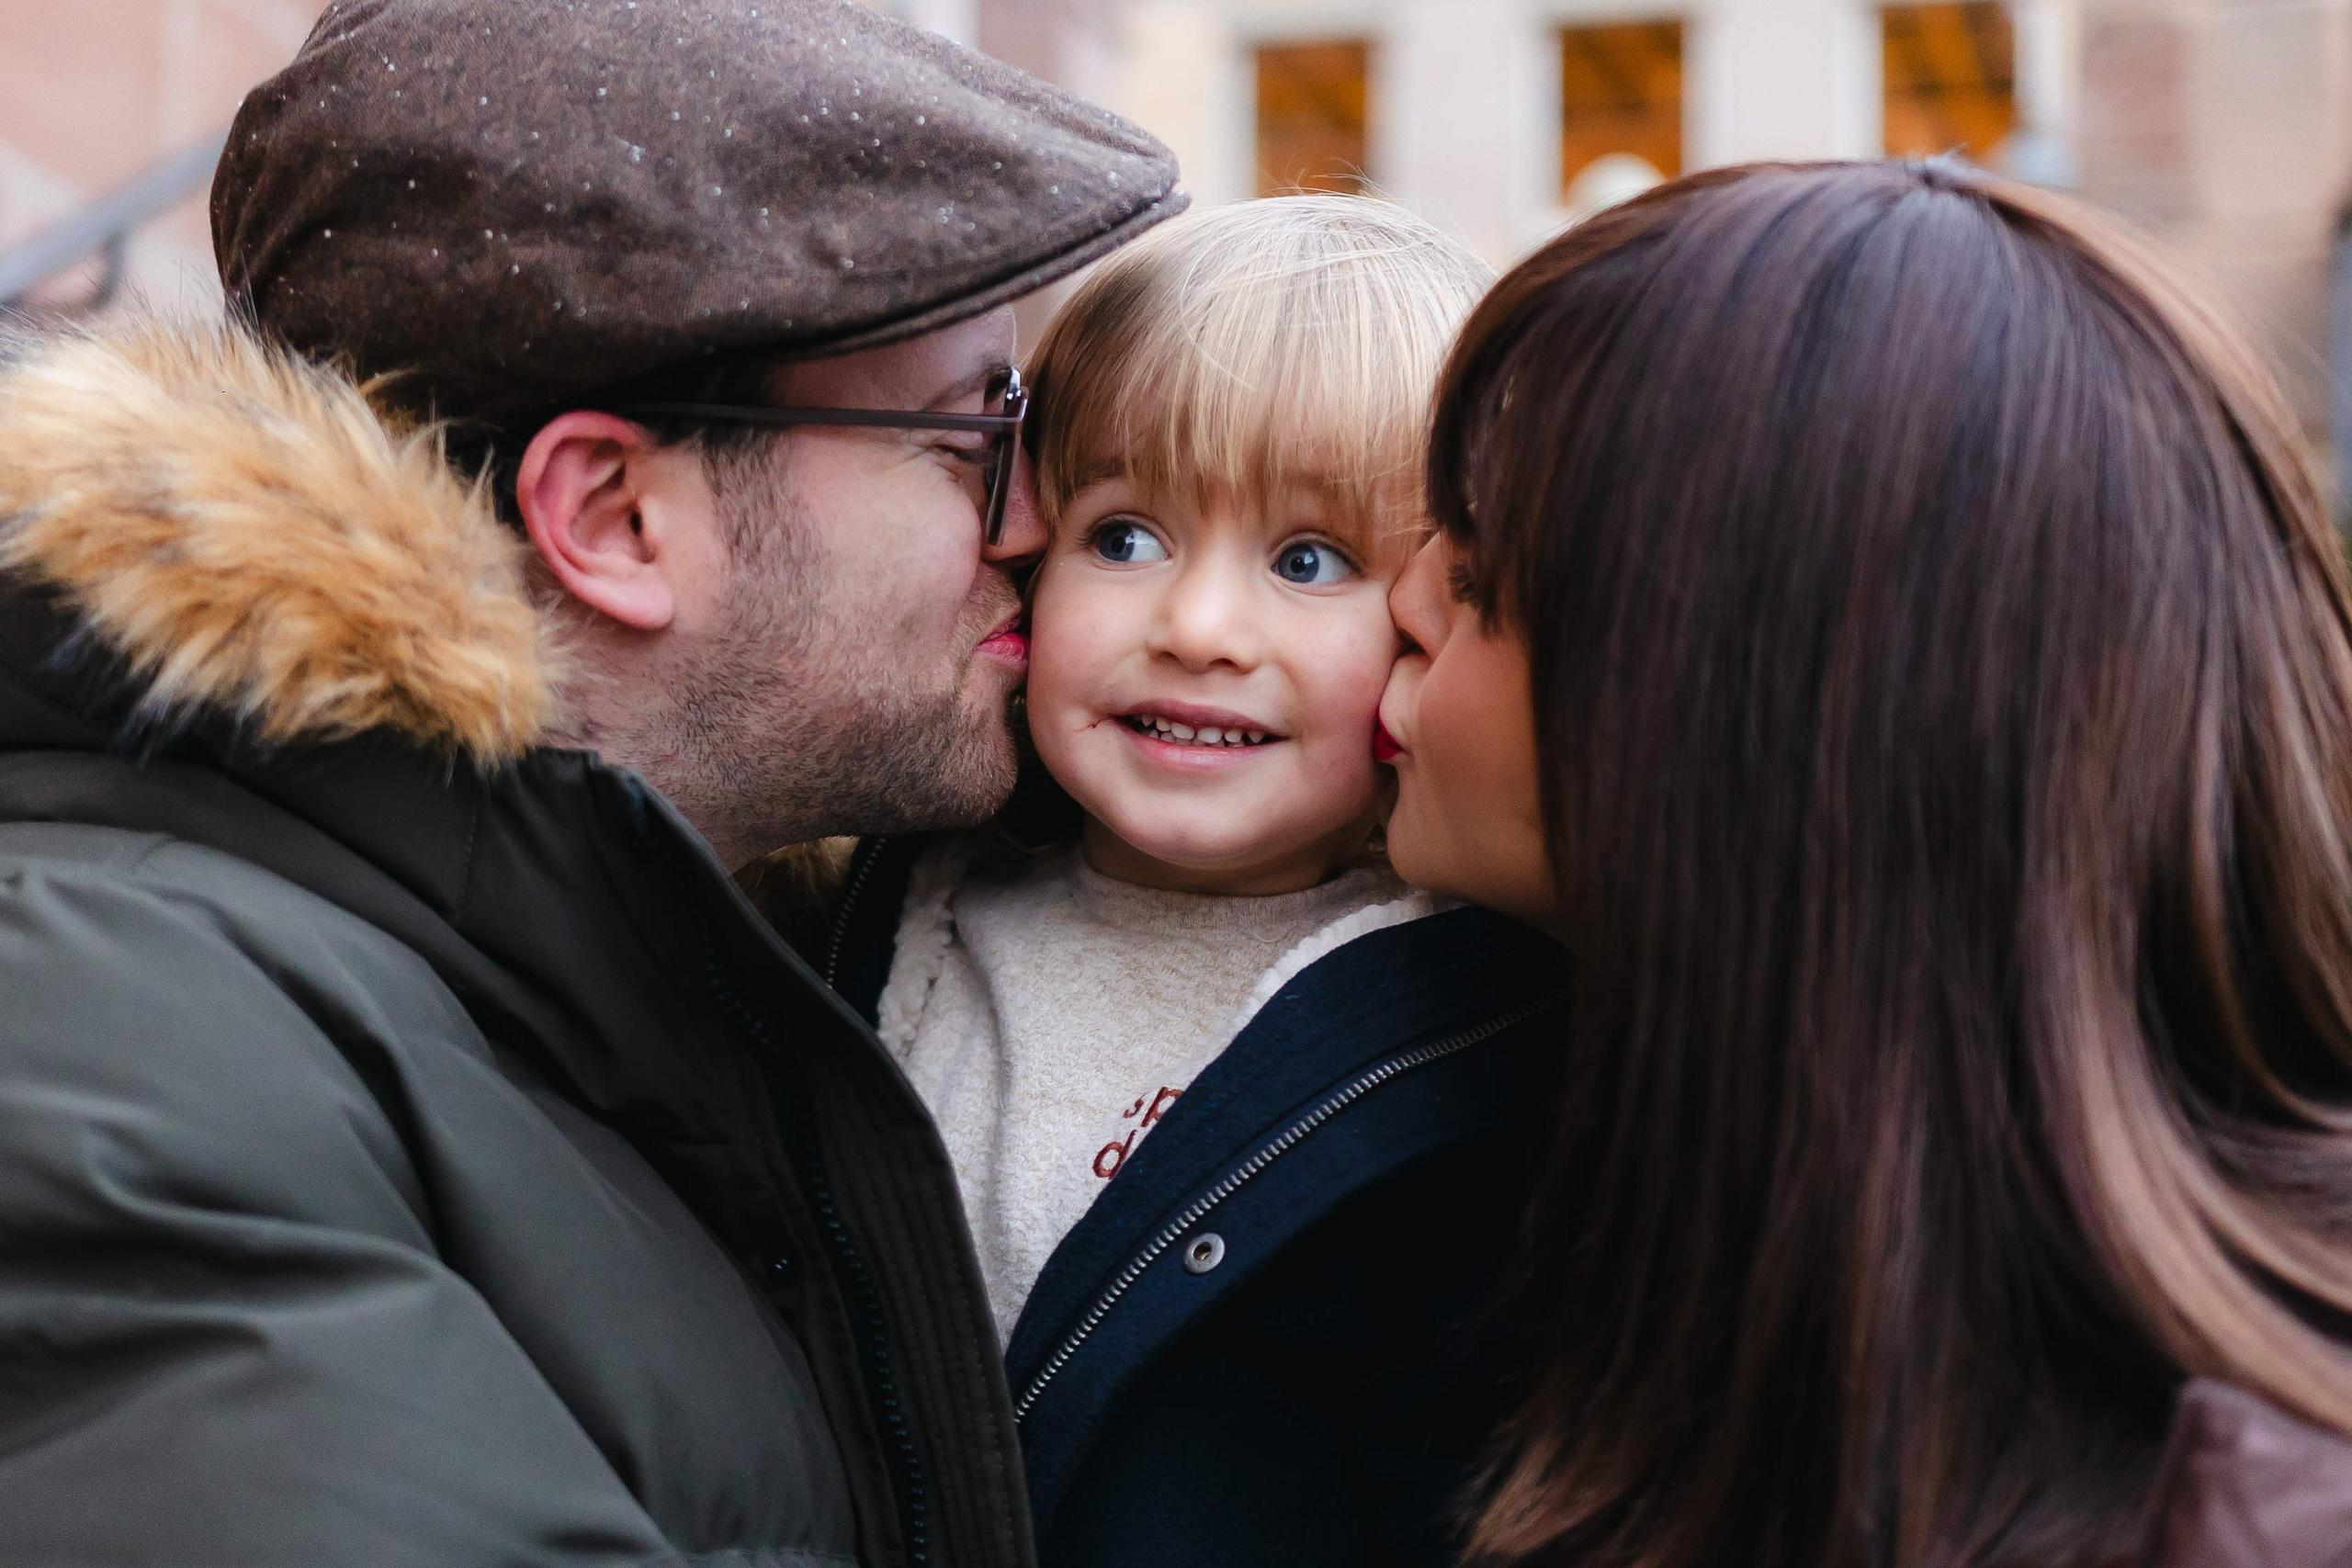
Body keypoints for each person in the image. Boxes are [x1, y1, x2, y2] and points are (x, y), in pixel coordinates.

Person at [0, 0, 1182, 1562]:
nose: (1037, 521)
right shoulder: (112, 1040)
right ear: (617, 517)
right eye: (978, 434)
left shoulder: (689, 949)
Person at [1377, 158, 2352, 1567]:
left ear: (1735, 736)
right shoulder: (1650, 1227)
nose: (1398, 599)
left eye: (1481, 578)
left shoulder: (2267, 1511)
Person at [812, 195, 1569, 1568]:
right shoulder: (896, 897)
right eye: (1125, 536)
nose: (1200, 628)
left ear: (1439, 622)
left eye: (1309, 561)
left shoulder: (1477, 1046)